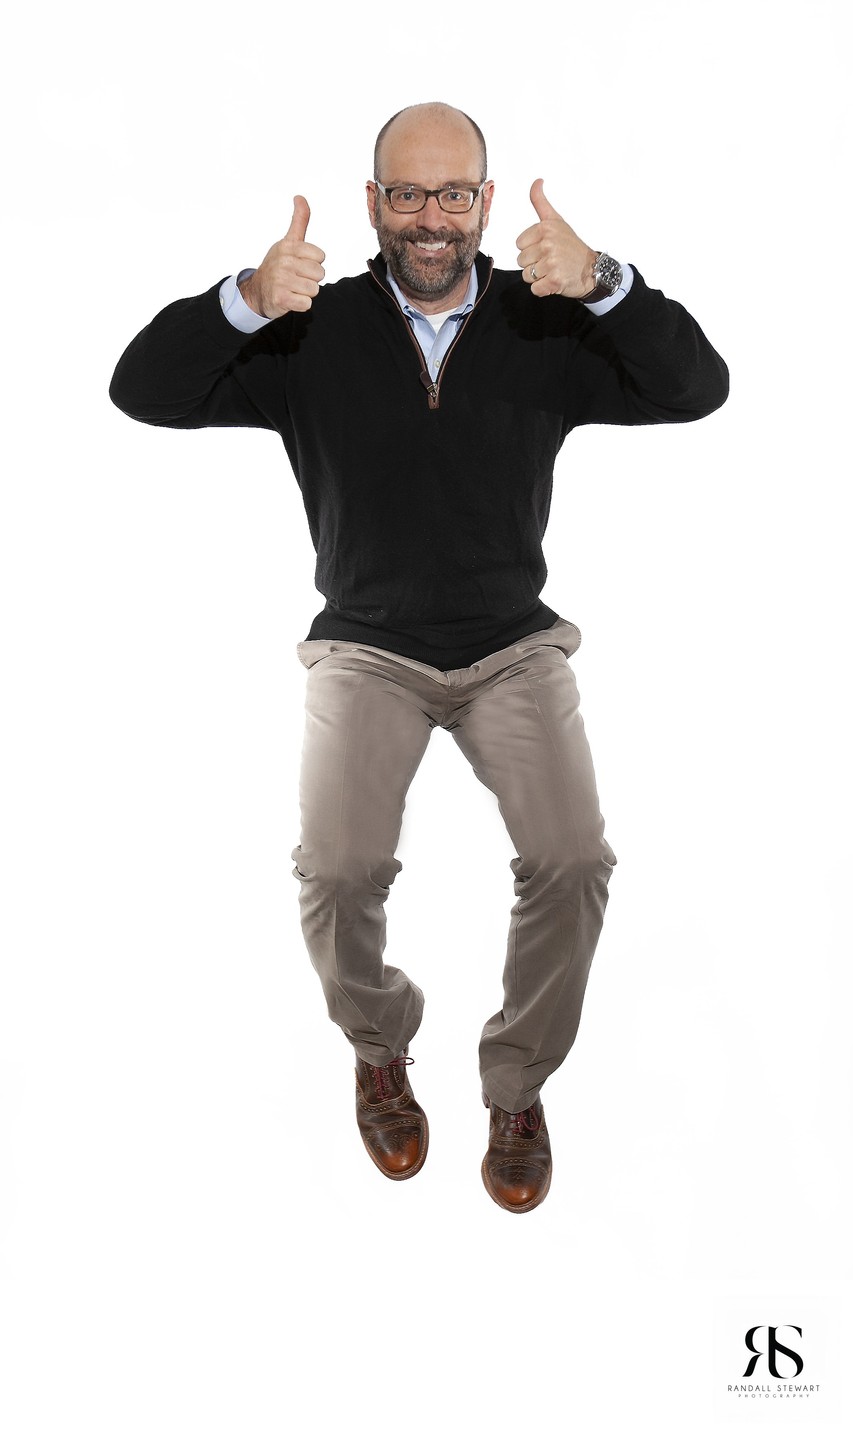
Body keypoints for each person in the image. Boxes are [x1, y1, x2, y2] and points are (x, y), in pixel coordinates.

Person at [110, 101, 728, 1214]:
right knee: (337, 868)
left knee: (573, 858)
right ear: (373, 203)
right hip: (366, 645)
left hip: (512, 646)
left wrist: (604, 283)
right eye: (406, 194)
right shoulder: (310, 329)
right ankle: (379, 1047)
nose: (429, 218)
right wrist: (245, 299)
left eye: (451, 194)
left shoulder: (545, 319)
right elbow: (142, 390)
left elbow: (696, 389)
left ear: (484, 203)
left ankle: (515, 1086)